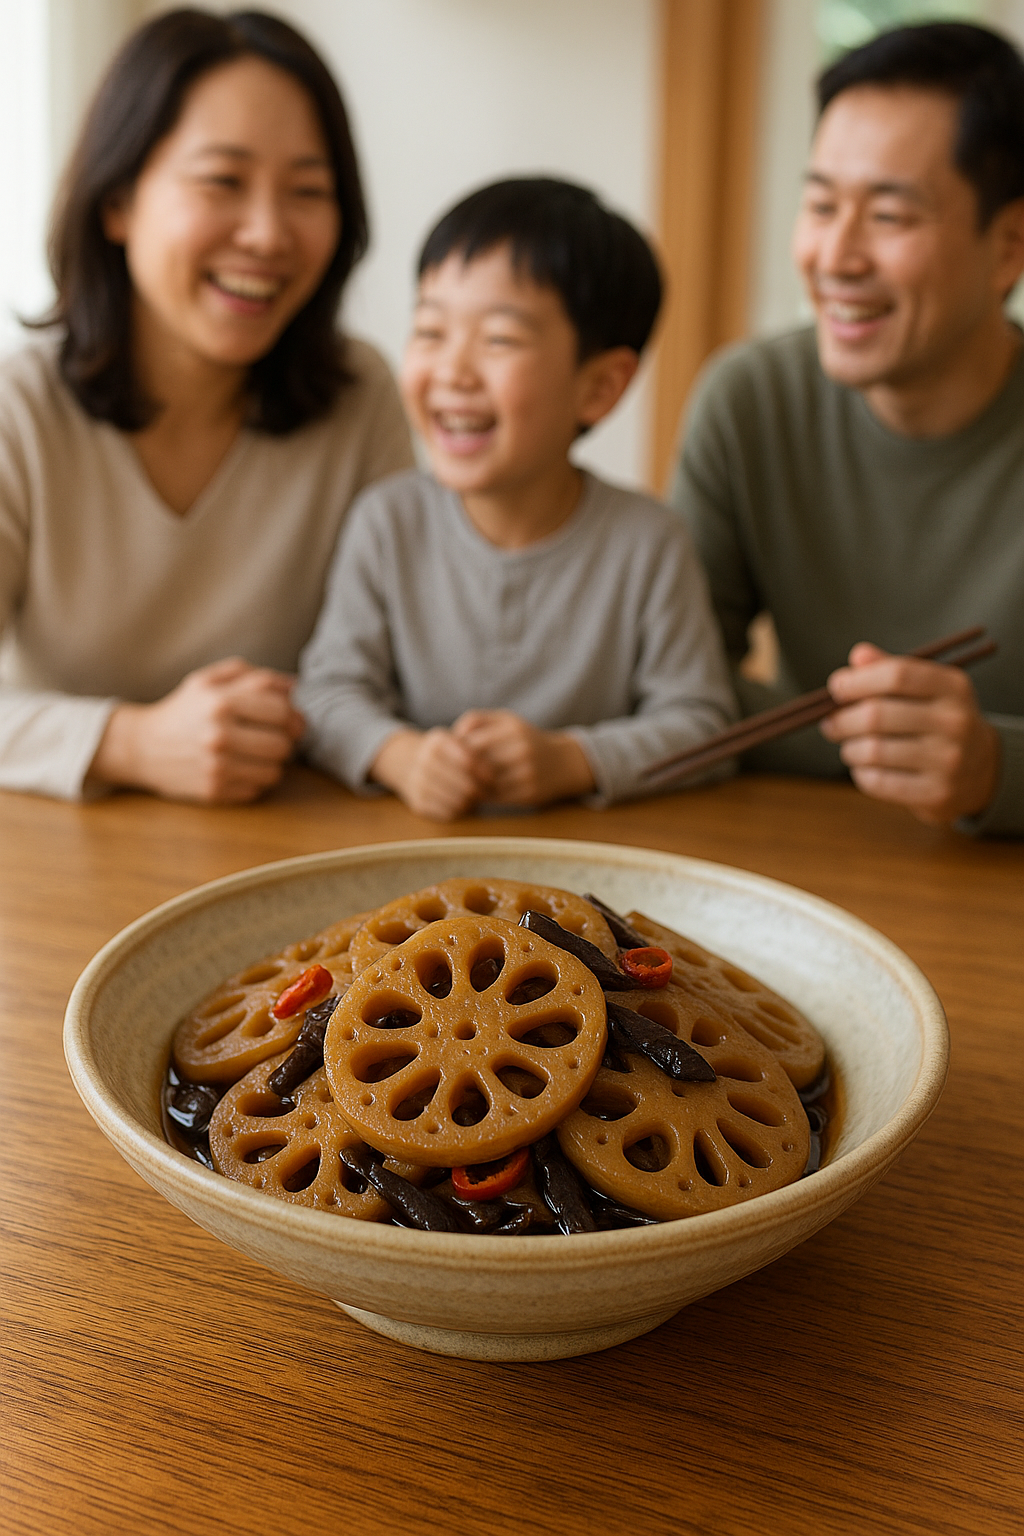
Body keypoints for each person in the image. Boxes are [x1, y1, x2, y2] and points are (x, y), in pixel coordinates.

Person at [0, 8, 413, 804]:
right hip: (48, 859)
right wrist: (132, 742)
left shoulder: (360, 397)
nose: (267, 232)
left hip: (287, 847)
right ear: (117, 201)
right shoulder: (20, 409)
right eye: (222, 181)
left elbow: (398, 672)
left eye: (307, 190)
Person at [672, 21, 1024, 835]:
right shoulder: (750, 399)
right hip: (811, 847)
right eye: (821, 203)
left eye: (890, 215)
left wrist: (993, 767)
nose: (834, 254)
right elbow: (677, 685)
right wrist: (860, 746)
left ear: (1007, 246)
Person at [297, 178, 734, 819]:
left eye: (498, 339)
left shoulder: (648, 541)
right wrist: (402, 757)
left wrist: (571, 761)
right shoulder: (387, 522)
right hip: (414, 862)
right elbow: (326, 695)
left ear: (600, 387)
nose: (452, 370)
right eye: (430, 330)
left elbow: (703, 725)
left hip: (586, 874)